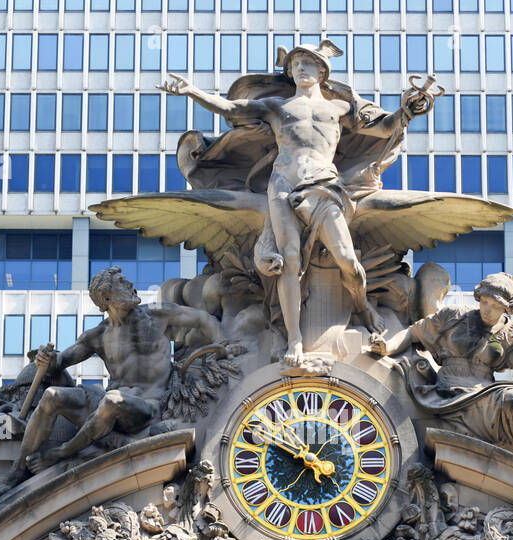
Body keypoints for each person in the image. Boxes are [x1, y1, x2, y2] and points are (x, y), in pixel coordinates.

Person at [159, 41, 429, 368]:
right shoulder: (277, 107)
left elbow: (385, 127)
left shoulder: (341, 109)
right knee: (288, 262)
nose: (299, 69)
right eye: (294, 65)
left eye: (306, 63)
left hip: (324, 184)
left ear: (321, 71)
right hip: (283, 185)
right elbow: (231, 110)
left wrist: (407, 111)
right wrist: (192, 91)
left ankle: (361, 306)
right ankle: (295, 339)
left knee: (346, 259)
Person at [0, 267, 220, 492]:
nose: (130, 285)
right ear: (106, 298)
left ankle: (61, 452)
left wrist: (226, 345)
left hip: (148, 408)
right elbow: (61, 361)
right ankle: (17, 470)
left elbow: (203, 319)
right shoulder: (98, 335)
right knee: (52, 396)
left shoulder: (156, 314)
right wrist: (46, 360)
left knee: (112, 401)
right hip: (108, 405)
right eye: (122, 283)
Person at [366, 273, 513, 479]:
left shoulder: (510, 331)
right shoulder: (455, 315)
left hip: (486, 390)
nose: (487, 309)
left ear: (507, 308)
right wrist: (386, 347)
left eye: (495, 305)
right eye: (485, 302)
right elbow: (413, 332)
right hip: (453, 392)